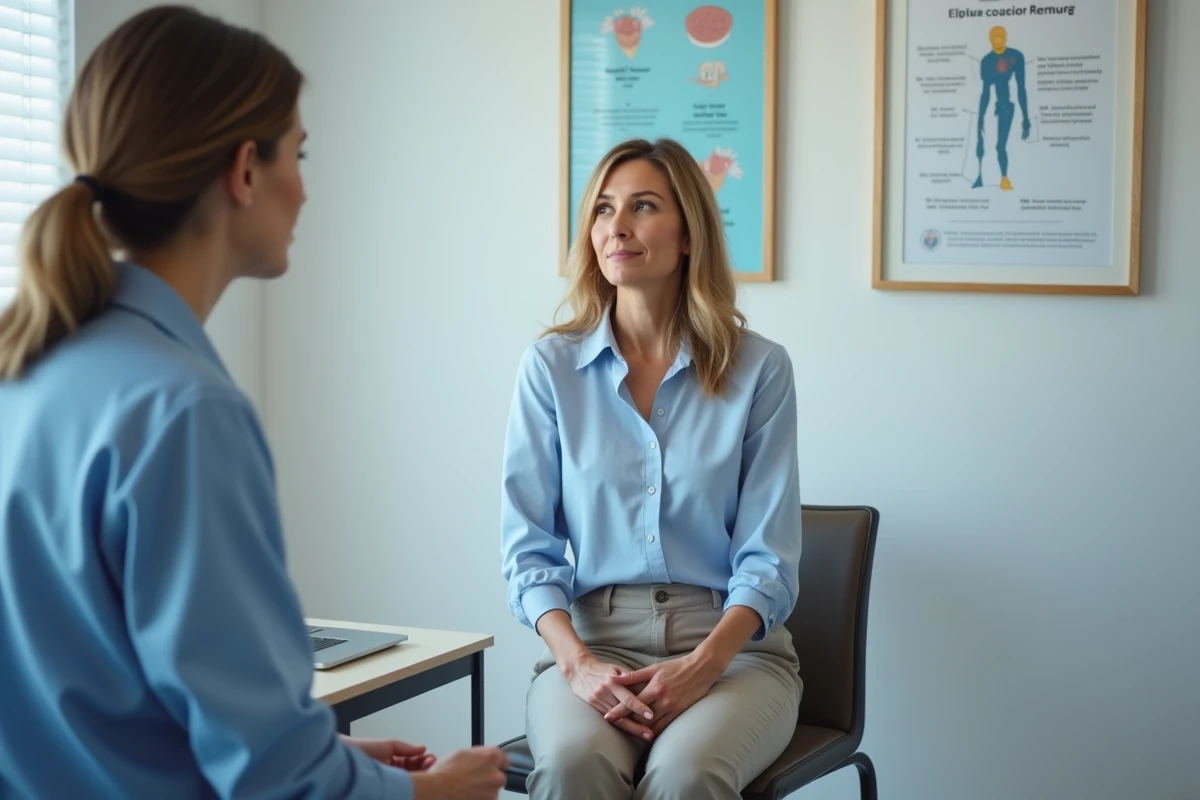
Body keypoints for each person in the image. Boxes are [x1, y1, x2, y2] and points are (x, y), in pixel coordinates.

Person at [0, 6, 506, 799]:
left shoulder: (28, 369)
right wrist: (430, 792)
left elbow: (99, 707)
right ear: (243, 171)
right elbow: (279, 783)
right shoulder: (184, 414)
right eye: (298, 155)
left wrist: (330, 755)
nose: (304, 190)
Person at [499, 137, 804, 799]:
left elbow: (769, 558)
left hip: (729, 651)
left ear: (689, 233)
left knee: (686, 777)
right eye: (604, 209)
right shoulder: (549, 370)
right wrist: (577, 666)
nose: (617, 226)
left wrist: (702, 665)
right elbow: (528, 551)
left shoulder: (760, 370)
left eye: (643, 206)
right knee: (574, 767)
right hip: (594, 643)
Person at [973, 25, 1030, 190]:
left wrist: (1026, 117)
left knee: (1000, 145)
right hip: (992, 105)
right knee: (983, 143)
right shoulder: (987, 61)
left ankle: (1004, 178)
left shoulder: (1015, 57)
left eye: (1000, 41)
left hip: (1005, 106)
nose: (997, 44)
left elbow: (1021, 88)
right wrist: (981, 117)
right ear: (991, 41)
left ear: (1004, 39)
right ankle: (983, 177)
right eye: (994, 41)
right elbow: (985, 93)